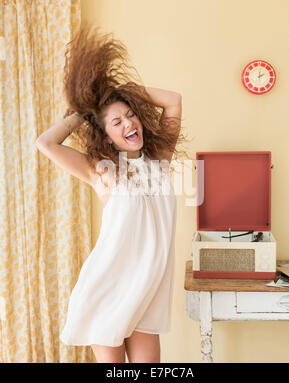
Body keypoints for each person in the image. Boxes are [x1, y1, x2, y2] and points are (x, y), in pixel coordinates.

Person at [35, 22, 189, 363]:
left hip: (147, 293)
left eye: (130, 116)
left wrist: (129, 91)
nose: (128, 124)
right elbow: (45, 143)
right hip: (108, 291)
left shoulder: (159, 161)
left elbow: (173, 101)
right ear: (106, 137)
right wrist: (85, 112)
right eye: (116, 123)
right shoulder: (101, 171)